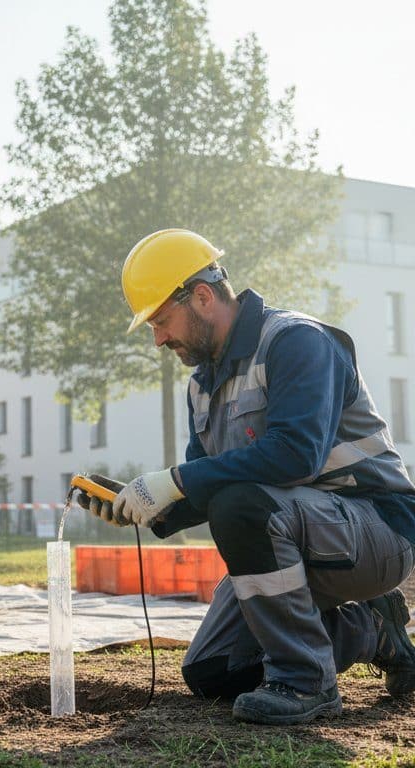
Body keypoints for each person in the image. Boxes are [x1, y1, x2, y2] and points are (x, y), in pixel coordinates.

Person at [80, 228, 415, 725]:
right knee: (215, 673)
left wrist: (177, 479)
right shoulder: (202, 387)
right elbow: (202, 487)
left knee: (240, 506)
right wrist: (143, 506)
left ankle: (307, 683)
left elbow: (296, 456)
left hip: (379, 532)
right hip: (296, 533)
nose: (158, 338)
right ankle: (371, 629)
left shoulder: (298, 342)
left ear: (202, 296)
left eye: (160, 321)